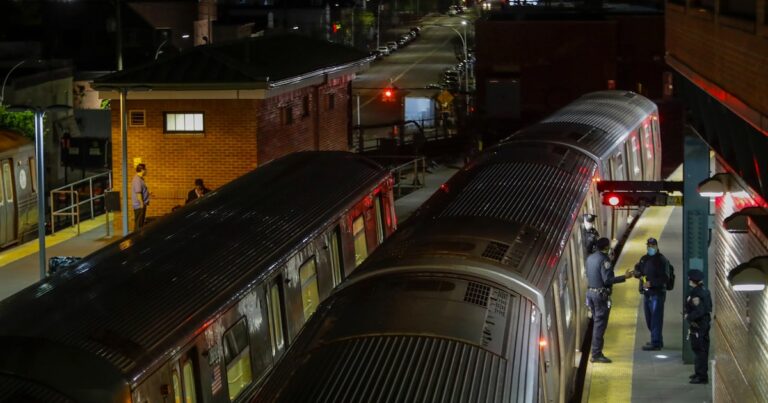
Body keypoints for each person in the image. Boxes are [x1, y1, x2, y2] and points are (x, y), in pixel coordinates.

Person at [586, 237, 634, 363]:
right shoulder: (604, 260)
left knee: (597, 323)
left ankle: (595, 352)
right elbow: (607, 280)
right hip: (600, 296)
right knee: (599, 325)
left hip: (590, 294)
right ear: (607, 248)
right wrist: (625, 277)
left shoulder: (590, 258)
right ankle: (596, 354)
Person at [633, 237, 670, 351]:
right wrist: (636, 272)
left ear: (657, 246)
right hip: (647, 294)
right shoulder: (644, 259)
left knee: (656, 318)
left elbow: (666, 278)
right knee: (649, 319)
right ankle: (657, 338)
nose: (650, 248)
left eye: (652, 246)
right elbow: (639, 269)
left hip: (657, 293)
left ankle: (656, 343)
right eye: (649, 246)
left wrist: (652, 283)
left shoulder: (662, 260)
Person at [685, 269, 711, 384]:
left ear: (692, 280)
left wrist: (688, 316)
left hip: (699, 325)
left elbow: (699, 310)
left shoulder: (696, 293)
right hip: (704, 324)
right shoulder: (705, 290)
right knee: (701, 349)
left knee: (699, 350)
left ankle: (701, 376)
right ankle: (699, 373)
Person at [131, 163, 150, 230]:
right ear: (142, 170)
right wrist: (142, 204)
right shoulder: (137, 180)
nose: (146, 171)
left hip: (141, 205)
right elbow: (138, 193)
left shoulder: (140, 179)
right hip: (139, 206)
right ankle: (136, 239)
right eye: (145, 169)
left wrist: (148, 193)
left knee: (140, 224)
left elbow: (141, 191)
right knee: (138, 225)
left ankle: (137, 238)